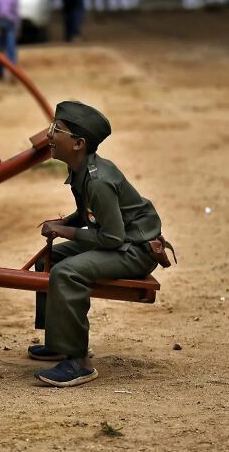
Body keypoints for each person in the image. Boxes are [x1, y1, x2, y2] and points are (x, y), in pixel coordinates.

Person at [29, 101, 172, 387]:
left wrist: (67, 232)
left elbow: (111, 237)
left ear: (79, 143)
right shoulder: (83, 171)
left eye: (57, 129)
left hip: (135, 250)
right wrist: (66, 223)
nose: (49, 135)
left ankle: (78, 362)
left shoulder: (97, 181)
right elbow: (88, 215)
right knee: (49, 260)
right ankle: (59, 341)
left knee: (67, 272)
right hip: (119, 241)